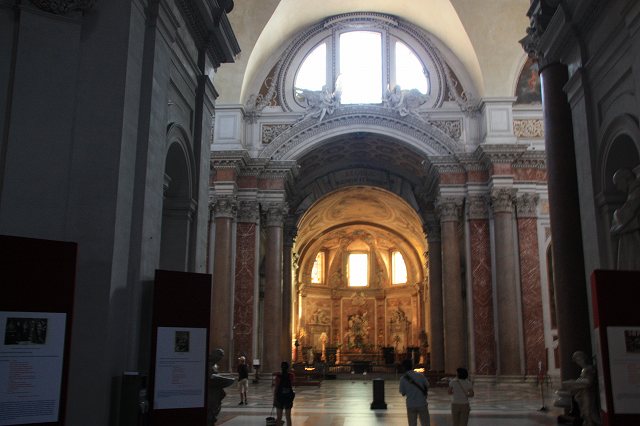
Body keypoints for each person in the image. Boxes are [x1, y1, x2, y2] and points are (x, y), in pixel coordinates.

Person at [399, 358, 430, 426]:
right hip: (422, 403)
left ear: (403, 367)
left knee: (412, 423)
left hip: (411, 404)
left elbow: (403, 393)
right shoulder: (420, 375)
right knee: (425, 423)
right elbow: (427, 385)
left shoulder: (403, 379)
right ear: (412, 366)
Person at [273, 361, 295, 425]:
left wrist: (274, 399)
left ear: (281, 367)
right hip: (288, 397)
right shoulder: (291, 375)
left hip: (280, 397)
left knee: (279, 417)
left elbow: (276, 388)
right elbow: (292, 383)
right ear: (288, 368)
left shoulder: (278, 376)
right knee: (288, 417)